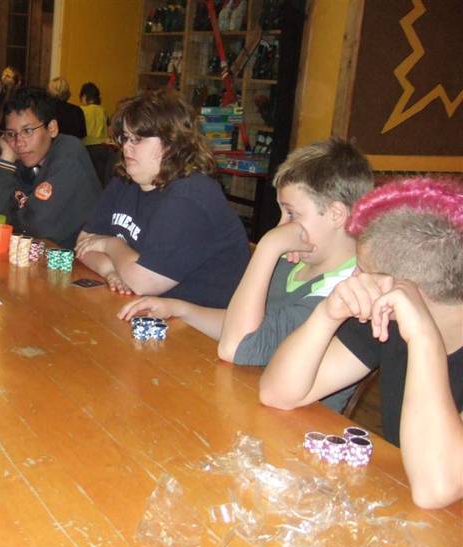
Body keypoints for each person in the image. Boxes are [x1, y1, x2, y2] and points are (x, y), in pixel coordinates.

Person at [118, 138, 372, 411]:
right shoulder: (295, 261)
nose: (281, 226)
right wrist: (181, 309)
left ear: (336, 214)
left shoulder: (346, 293)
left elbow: (237, 347)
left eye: (291, 214)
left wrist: (267, 247)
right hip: (246, 395)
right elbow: (244, 326)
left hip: (293, 420)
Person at [259, 177, 463, 509]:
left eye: (362, 270)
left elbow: (436, 488)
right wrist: (327, 313)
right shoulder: (386, 318)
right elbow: (278, 393)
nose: (353, 279)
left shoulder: (407, 321)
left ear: (405, 291)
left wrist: (424, 339)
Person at [75, 89, 248, 305]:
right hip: (144, 305)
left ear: (172, 142)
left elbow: (143, 282)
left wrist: (110, 245)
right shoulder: (125, 179)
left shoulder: (191, 195)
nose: (126, 147)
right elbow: (84, 243)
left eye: (138, 139)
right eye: (125, 138)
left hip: (195, 320)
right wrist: (112, 271)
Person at [0, 86, 101, 248]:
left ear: (52, 128)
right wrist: (6, 161)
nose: (19, 142)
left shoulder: (69, 154)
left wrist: (5, 220)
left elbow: (38, 227)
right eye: (11, 134)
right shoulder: (20, 159)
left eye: (28, 131)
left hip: (74, 259)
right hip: (31, 257)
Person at [80, 82, 109, 146]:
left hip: (87, 144)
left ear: (84, 97)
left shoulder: (81, 110)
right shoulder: (103, 110)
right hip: (102, 144)